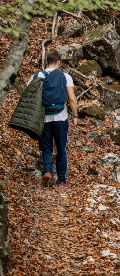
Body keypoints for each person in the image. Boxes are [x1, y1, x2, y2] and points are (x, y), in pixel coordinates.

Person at [27, 50, 78, 187]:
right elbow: (72, 98)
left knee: (46, 148)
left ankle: (47, 171)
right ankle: (62, 180)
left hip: (43, 118)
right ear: (59, 62)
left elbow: (29, 96)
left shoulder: (37, 76)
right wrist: (75, 116)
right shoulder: (66, 76)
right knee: (62, 149)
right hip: (61, 117)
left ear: (46, 62)